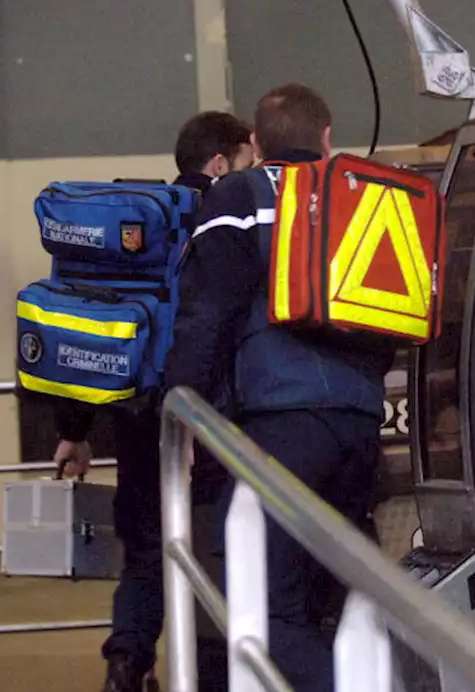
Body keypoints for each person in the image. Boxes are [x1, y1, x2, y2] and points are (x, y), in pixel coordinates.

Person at [164, 84, 396, 691]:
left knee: (266, 608)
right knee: (343, 594)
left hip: (279, 424)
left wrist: (181, 407)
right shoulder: (364, 197)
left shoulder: (237, 196)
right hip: (361, 422)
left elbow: (208, 312)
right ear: (326, 137)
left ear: (257, 144)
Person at [51, 110, 252, 692]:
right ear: (220, 163)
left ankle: (127, 664)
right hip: (209, 419)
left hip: (136, 416)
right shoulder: (228, 217)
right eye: (244, 158)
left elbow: (93, 321)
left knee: (145, 552)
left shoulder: (137, 222)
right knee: (213, 552)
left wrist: (75, 429)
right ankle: (212, 676)